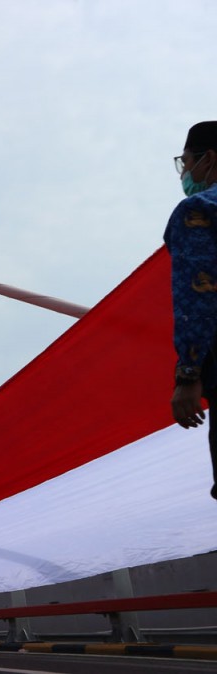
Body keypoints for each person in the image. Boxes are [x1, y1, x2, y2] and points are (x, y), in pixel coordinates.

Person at [165, 120, 217, 501]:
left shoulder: (198, 210)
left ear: (208, 159)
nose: (185, 172)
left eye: (185, 162)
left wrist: (188, 374)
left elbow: (198, 294)